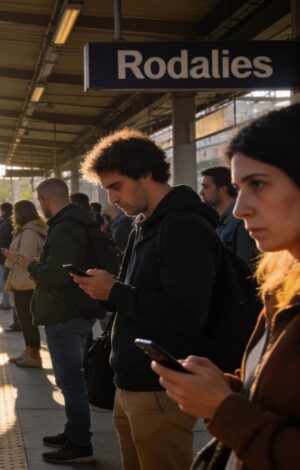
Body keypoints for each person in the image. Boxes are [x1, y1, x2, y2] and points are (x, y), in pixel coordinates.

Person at [152, 103, 300, 470]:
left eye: (259, 184)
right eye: (238, 188)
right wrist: (224, 387)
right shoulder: (283, 283)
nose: (240, 209)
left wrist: (224, 409)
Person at [74, 128, 220, 470]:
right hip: (131, 383)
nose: (111, 199)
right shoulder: (145, 223)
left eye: (116, 187)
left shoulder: (184, 226)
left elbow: (185, 312)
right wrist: (105, 292)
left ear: (147, 174)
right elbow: (139, 296)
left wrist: (115, 291)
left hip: (159, 388)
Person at [16, 178, 104, 464]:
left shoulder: (66, 228)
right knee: (71, 380)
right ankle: (73, 431)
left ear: (43, 200)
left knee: (71, 381)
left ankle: (80, 444)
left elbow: (56, 275)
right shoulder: (77, 222)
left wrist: (30, 264)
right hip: (76, 309)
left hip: (66, 313)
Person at [1, 200, 47, 368]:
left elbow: (26, 258)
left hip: (26, 281)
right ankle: (29, 349)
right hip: (27, 280)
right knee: (26, 318)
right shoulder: (32, 229)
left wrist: (11, 256)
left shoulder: (28, 232)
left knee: (26, 319)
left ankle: (33, 354)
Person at [200, 166, 259, 268]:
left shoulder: (242, 222)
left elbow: (245, 267)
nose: (201, 192)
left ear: (223, 189)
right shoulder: (221, 222)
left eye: (206, 187)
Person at [0, 202, 14, 310]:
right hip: (5, 256)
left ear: (3, 210)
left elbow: (3, 241)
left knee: (4, 280)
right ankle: (6, 302)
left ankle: (6, 303)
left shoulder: (6, 223)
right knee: (5, 280)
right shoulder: (8, 222)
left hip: (4, 257)